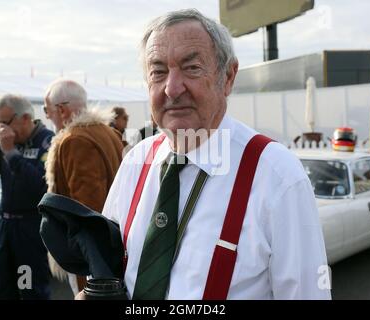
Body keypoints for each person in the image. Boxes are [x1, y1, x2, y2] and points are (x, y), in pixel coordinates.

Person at [78, 9, 330, 300]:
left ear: (228, 77)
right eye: (158, 72)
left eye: (192, 67)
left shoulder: (277, 174)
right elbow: (112, 265)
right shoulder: (136, 160)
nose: (172, 88)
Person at [43, 79, 124, 296]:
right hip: (116, 237)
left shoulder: (74, 140)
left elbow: (85, 211)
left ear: (61, 110)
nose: (46, 116)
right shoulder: (107, 132)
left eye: (46, 109)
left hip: (92, 255)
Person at [0, 93, 54, 299]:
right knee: (2, 288)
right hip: (5, 227)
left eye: (5, 123)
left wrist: (11, 154)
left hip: (30, 229)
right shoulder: (8, 143)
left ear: (25, 118)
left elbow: (40, 186)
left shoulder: (48, 142)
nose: (1, 130)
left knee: (29, 289)